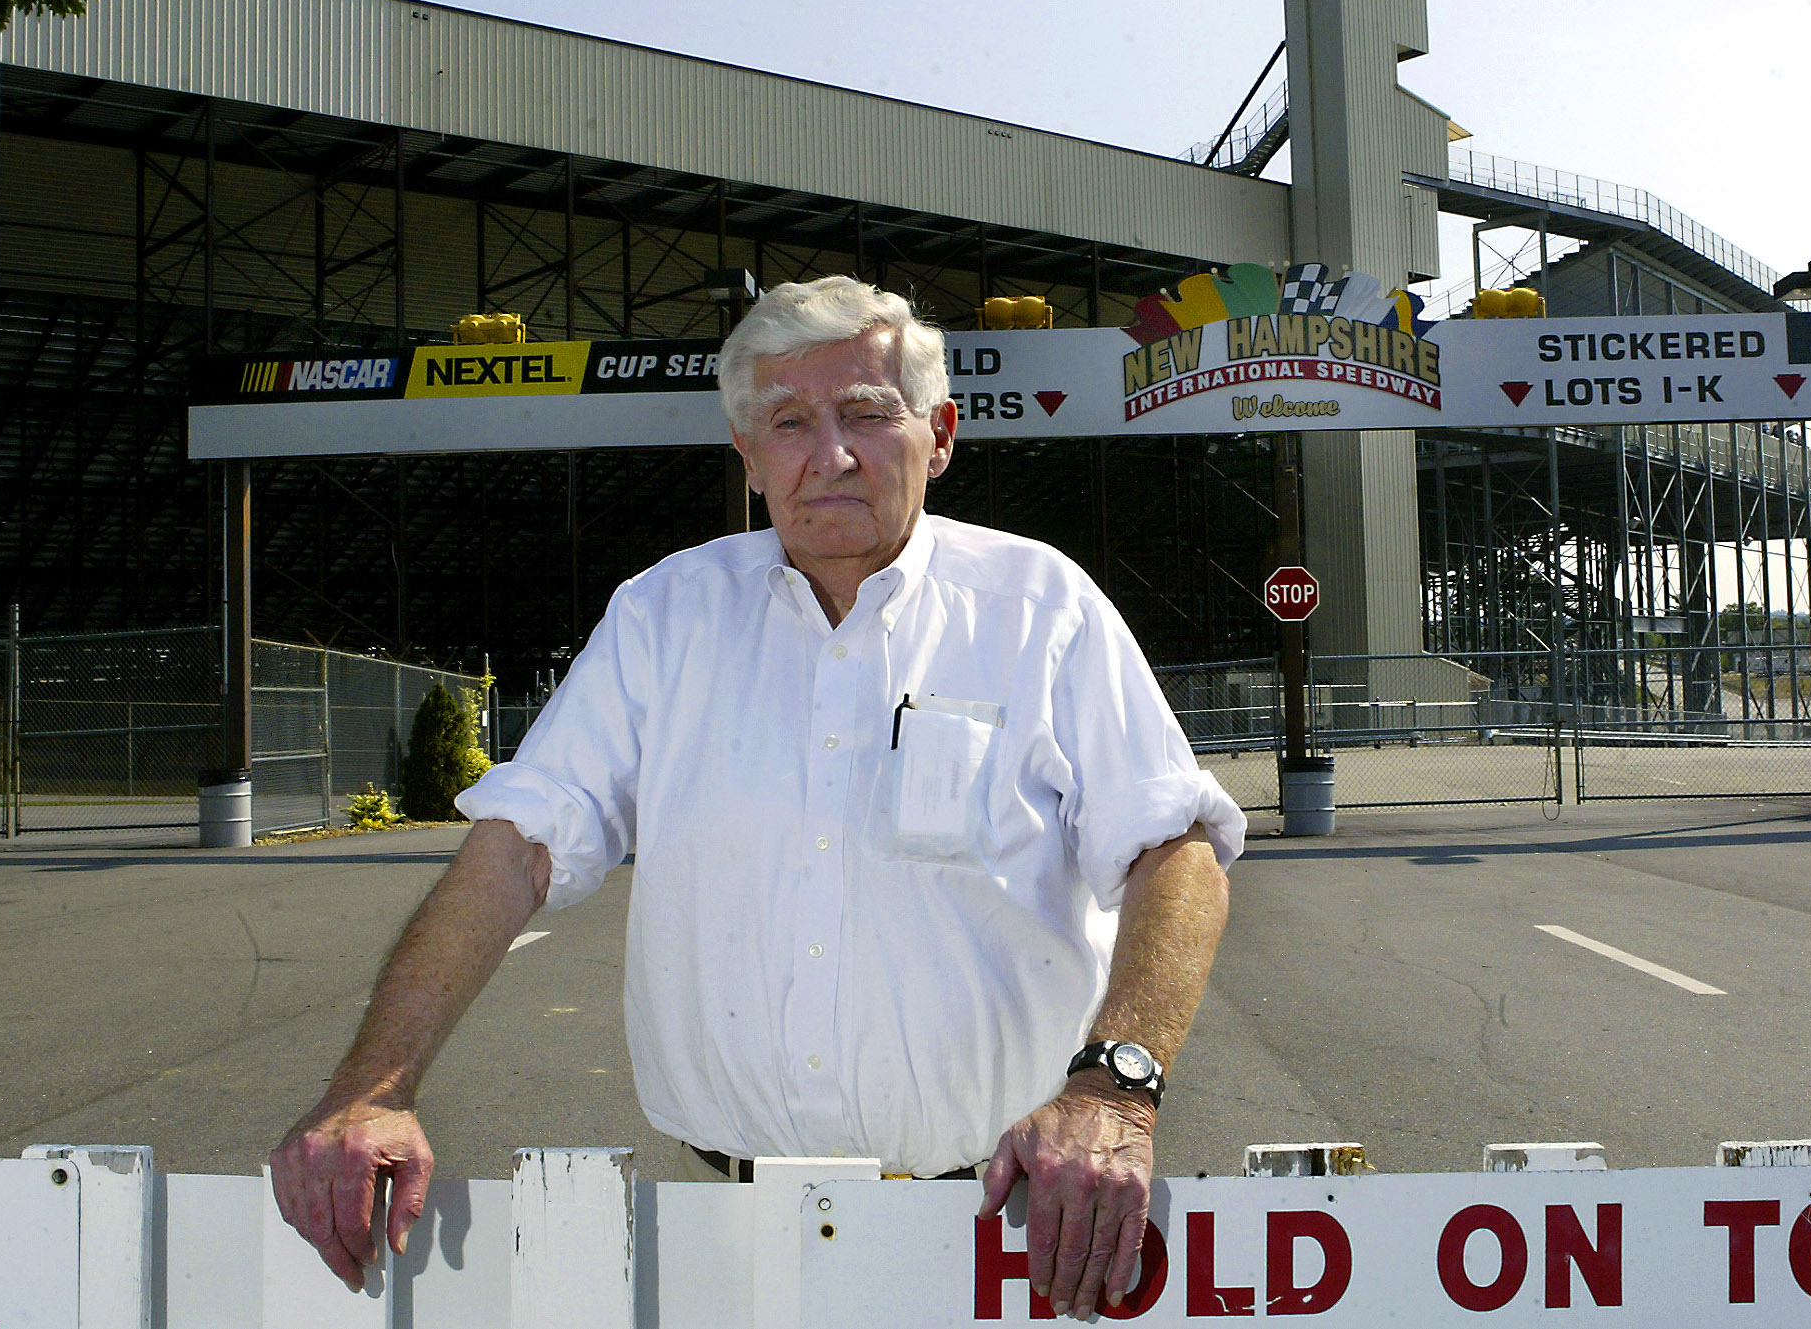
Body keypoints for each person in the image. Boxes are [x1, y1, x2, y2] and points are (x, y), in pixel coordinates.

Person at [271, 277, 1242, 1318]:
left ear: (941, 431)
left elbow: (1172, 852)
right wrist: (373, 1088)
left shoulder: (1039, 606)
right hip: (733, 1235)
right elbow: (518, 847)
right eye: (789, 421)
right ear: (748, 454)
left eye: (868, 413)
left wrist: (1114, 1088)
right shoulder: (664, 619)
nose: (830, 454)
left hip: (1010, 1230)